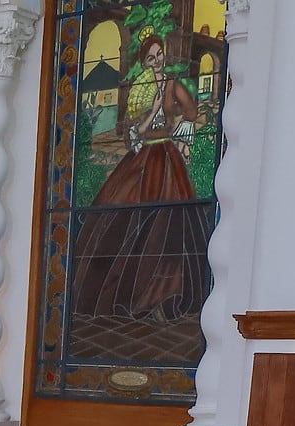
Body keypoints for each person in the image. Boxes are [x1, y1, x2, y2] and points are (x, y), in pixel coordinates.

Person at [70, 28, 208, 324]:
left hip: (167, 155)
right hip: (143, 156)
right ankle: (125, 295)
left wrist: (180, 130)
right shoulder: (140, 89)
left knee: (169, 221)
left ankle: (165, 294)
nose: (156, 61)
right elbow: (136, 129)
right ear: (144, 61)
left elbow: (192, 111)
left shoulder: (173, 85)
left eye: (159, 55)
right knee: (124, 213)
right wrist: (154, 109)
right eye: (150, 57)